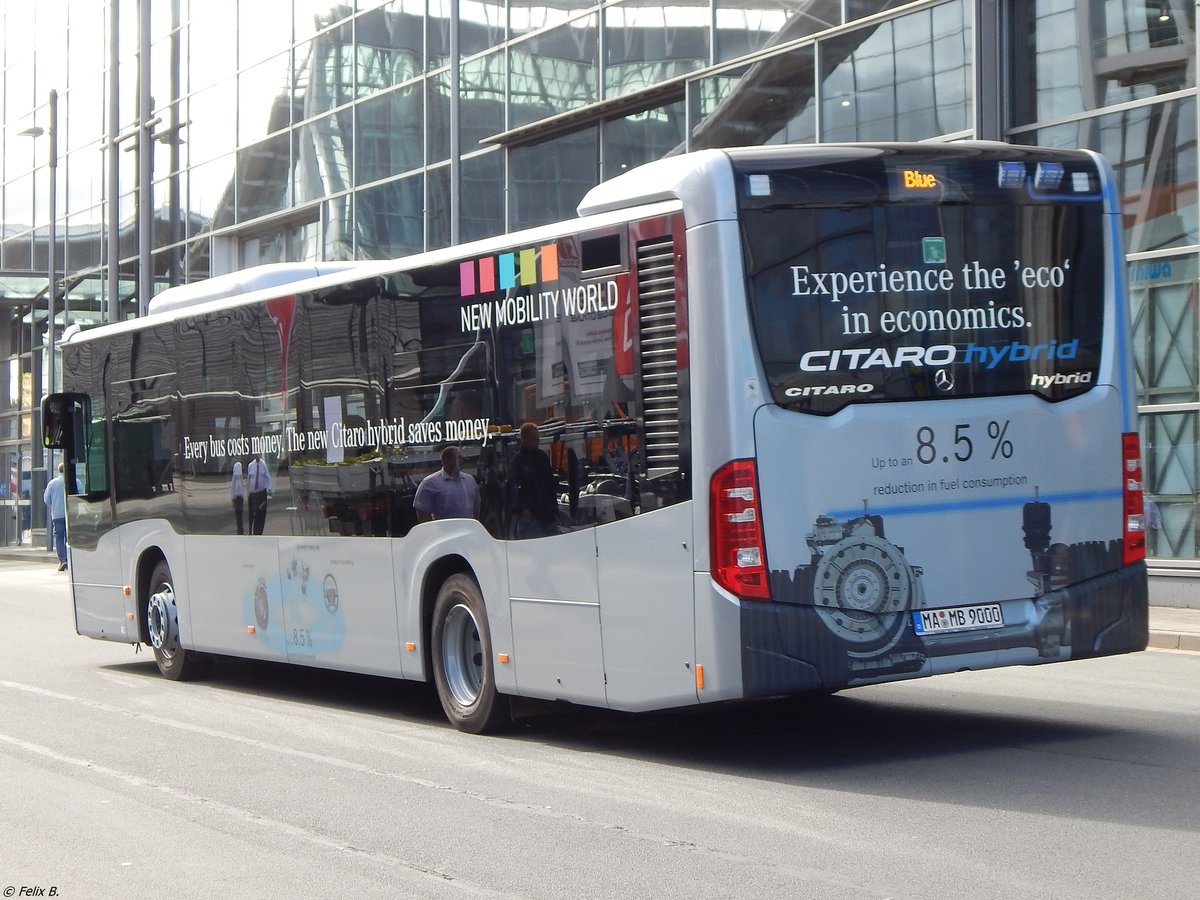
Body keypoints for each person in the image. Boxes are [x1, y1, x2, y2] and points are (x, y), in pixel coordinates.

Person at [510, 421, 558, 539]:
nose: (538, 441)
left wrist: (555, 510)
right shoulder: (517, 461)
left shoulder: (542, 457)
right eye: (535, 438)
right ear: (525, 439)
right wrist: (521, 511)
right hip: (530, 517)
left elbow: (550, 484)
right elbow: (512, 488)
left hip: (546, 515)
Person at [414, 446, 479, 522]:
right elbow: (423, 514)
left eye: (461, 457)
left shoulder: (469, 481)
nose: (462, 461)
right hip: (444, 532)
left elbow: (476, 508)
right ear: (446, 460)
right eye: (458, 458)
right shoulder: (430, 483)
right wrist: (433, 532)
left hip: (469, 530)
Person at [44, 462, 67, 571]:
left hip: (57, 515)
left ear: (59, 470)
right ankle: (70, 559)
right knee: (69, 537)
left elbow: (46, 499)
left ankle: (63, 560)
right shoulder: (75, 481)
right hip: (70, 514)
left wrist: (55, 505)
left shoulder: (52, 483)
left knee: (59, 537)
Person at [246, 453, 272, 535]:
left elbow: (267, 476)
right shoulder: (251, 465)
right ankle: (252, 531)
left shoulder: (263, 464)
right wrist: (248, 492)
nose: (257, 455)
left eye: (258, 454)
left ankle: (259, 532)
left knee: (261, 513)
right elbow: (249, 480)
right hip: (253, 493)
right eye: (255, 454)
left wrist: (269, 489)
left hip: (262, 492)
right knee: (253, 513)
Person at [229, 459, 245, 535]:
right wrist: (233, 499)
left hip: (240, 497)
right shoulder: (235, 478)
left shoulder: (239, 478)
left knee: (240, 515)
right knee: (238, 515)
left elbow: (241, 487)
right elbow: (233, 488)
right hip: (237, 498)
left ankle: (240, 529)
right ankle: (239, 530)